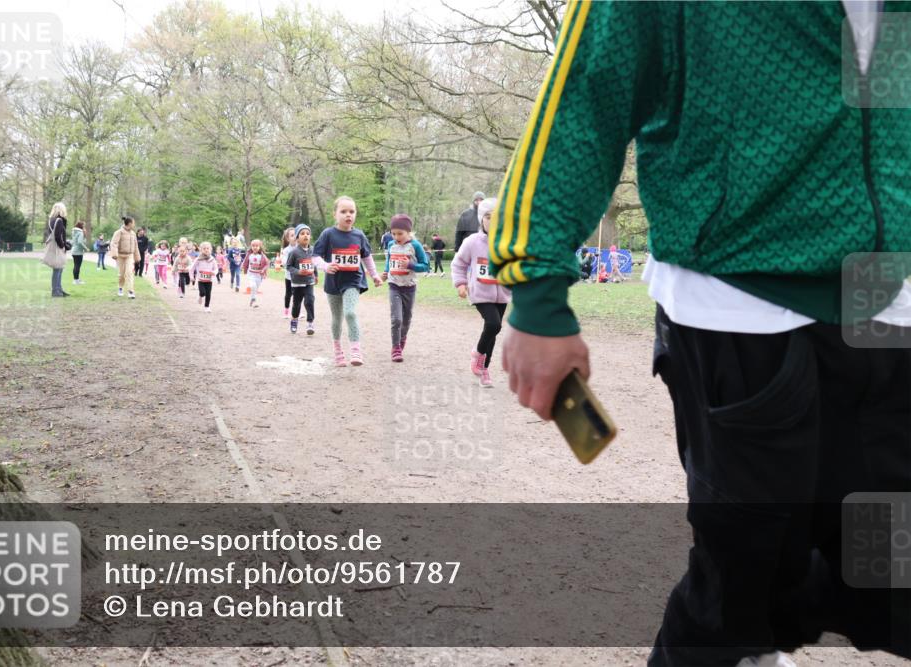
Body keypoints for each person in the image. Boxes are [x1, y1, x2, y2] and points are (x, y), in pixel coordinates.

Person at [489, 3, 910, 666]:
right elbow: (588, 91)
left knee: (889, 570)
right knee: (740, 586)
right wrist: (537, 291)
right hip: (743, 312)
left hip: (895, 311)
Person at [312, 196, 383, 367]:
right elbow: (314, 256)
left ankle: (356, 350)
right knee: (336, 318)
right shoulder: (328, 234)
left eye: (351, 211)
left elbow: (366, 257)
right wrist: (326, 266)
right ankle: (338, 351)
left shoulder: (359, 235)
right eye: (343, 211)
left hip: (353, 280)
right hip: (333, 282)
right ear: (334, 214)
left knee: (350, 313)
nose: (348, 215)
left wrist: (374, 275)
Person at [452, 198, 510, 387]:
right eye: (488, 217)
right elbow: (459, 263)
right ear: (481, 220)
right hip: (480, 293)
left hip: (502, 293)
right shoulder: (472, 242)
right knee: (494, 325)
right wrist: (461, 283)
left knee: (492, 330)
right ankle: (477, 353)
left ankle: (484, 369)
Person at [382, 214, 430, 362]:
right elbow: (389, 261)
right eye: (393, 233)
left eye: (400, 233)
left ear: (408, 232)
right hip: (394, 285)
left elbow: (426, 266)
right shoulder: (391, 245)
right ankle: (395, 347)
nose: (396, 237)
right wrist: (385, 272)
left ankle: (402, 338)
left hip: (409, 287)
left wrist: (410, 265)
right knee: (396, 318)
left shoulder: (415, 245)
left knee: (406, 319)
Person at [285, 223, 317, 335]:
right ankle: (294, 319)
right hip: (297, 283)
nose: (305, 236)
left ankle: (310, 322)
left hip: (309, 281)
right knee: (296, 304)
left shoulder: (313, 250)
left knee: (310, 301)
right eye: (302, 234)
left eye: (308, 234)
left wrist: (316, 275)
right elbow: (288, 266)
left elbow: (315, 263)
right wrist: (298, 271)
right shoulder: (294, 252)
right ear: (297, 238)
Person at [110, 216, 141, 299]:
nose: (134, 224)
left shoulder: (133, 233)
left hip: (129, 256)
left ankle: (131, 291)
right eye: (133, 223)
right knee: (121, 274)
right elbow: (114, 243)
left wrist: (137, 257)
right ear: (130, 223)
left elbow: (136, 246)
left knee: (129, 272)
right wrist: (114, 254)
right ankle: (120, 288)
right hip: (120, 255)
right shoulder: (119, 232)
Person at [43, 202, 69, 297]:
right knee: (58, 269)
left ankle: (59, 289)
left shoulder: (51, 220)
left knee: (59, 269)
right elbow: (58, 236)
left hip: (55, 247)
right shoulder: (59, 220)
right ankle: (56, 291)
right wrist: (63, 246)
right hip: (58, 247)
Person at [191, 241, 218, 312]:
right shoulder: (198, 259)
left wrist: (214, 272)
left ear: (210, 249)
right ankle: (200, 296)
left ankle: (207, 307)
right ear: (201, 250)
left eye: (207, 248)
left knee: (208, 294)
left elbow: (216, 268)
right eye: (204, 248)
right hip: (201, 280)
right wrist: (191, 277)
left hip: (209, 280)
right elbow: (192, 268)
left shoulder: (212, 259)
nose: (206, 250)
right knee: (203, 293)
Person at [244, 239, 269, 308]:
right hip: (251, 274)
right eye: (253, 246)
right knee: (253, 286)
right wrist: (243, 267)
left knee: (255, 289)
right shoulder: (249, 255)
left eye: (257, 246)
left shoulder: (262, 256)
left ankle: (252, 299)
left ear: (260, 247)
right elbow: (245, 262)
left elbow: (267, 264)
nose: (255, 247)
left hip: (259, 275)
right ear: (251, 247)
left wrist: (263, 270)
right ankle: (254, 300)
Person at [280, 227, 297, 318]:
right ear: (287, 238)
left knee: (297, 294)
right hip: (289, 276)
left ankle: (296, 311)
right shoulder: (286, 250)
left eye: (295, 234)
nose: (294, 237)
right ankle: (286, 310)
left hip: (299, 277)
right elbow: (284, 262)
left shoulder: (301, 248)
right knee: (288, 294)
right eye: (292, 235)